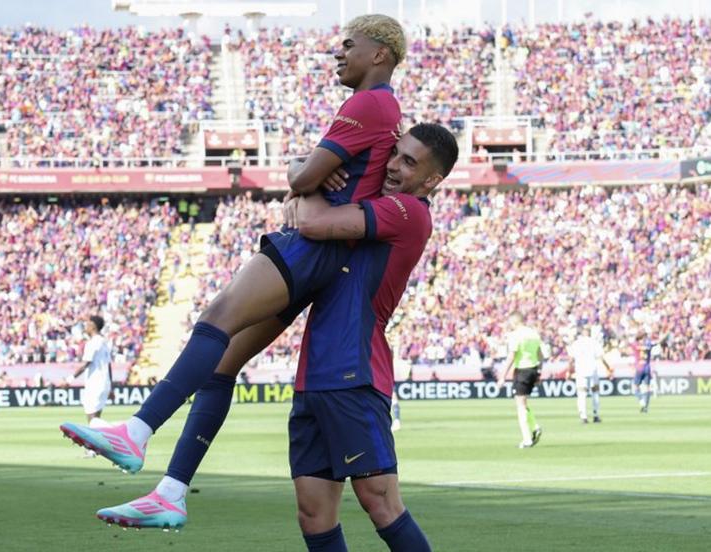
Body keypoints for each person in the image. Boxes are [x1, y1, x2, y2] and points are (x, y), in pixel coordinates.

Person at [61, 13, 407, 472]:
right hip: (330, 257)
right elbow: (317, 178)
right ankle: (172, 491)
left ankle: (138, 431)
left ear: (379, 53)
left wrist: (301, 172)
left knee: (215, 319)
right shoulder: (389, 109)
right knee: (223, 364)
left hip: (309, 246)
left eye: (348, 44)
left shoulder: (368, 104)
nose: (337, 53)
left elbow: (303, 176)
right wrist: (307, 177)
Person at [90, 124, 457, 551]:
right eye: (395, 153)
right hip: (316, 374)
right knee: (314, 513)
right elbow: (311, 201)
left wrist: (306, 183)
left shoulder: (409, 212)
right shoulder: (375, 202)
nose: (393, 165)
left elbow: (315, 220)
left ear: (432, 180)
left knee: (380, 502)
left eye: (409, 162)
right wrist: (303, 176)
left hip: (354, 374)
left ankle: (145, 442)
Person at [496, 313, 545, 448]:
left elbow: (512, 356)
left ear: (514, 322)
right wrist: (539, 373)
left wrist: (502, 376)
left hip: (522, 371)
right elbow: (540, 355)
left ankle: (527, 438)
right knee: (523, 402)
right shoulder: (533, 334)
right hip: (533, 369)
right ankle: (535, 427)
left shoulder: (515, 335)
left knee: (520, 405)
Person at [68, 315, 112, 425]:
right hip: (103, 383)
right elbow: (109, 366)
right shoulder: (104, 342)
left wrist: (69, 380)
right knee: (96, 419)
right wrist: (110, 387)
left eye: (87, 324)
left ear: (92, 326)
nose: (85, 327)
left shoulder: (93, 343)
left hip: (95, 384)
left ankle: (111, 437)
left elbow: (86, 364)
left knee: (92, 421)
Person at [566, 325, 614, 423]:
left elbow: (571, 360)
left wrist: (569, 371)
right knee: (595, 392)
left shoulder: (576, 343)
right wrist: (608, 368)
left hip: (580, 370)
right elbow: (601, 357)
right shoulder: (594, 342)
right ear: (589, 333)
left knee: (581, 393)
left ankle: (583, 417)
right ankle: (596, 415)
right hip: (592, 370)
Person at [631, 328, 656, 413]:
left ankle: (642, 402)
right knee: (647, 387)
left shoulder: (635, 344)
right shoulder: (648, 344)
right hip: (647, 367)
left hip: (639, 367)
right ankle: (646, 406)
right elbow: (657, 342)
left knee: (636, 386)